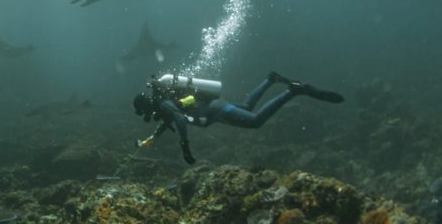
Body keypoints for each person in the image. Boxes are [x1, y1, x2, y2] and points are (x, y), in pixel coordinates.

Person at [132, 71, 344, 165]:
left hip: (216, 111)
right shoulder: (163, 106)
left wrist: (185, 147)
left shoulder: (163, 104)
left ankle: (293, 91)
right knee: (247, 106)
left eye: (144, 112)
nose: (147, 116)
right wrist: (150, 139)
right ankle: (270, 79)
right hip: (214, 109)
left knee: (255, 121)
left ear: (147, 106)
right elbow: (168, 121)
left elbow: (178, 119)